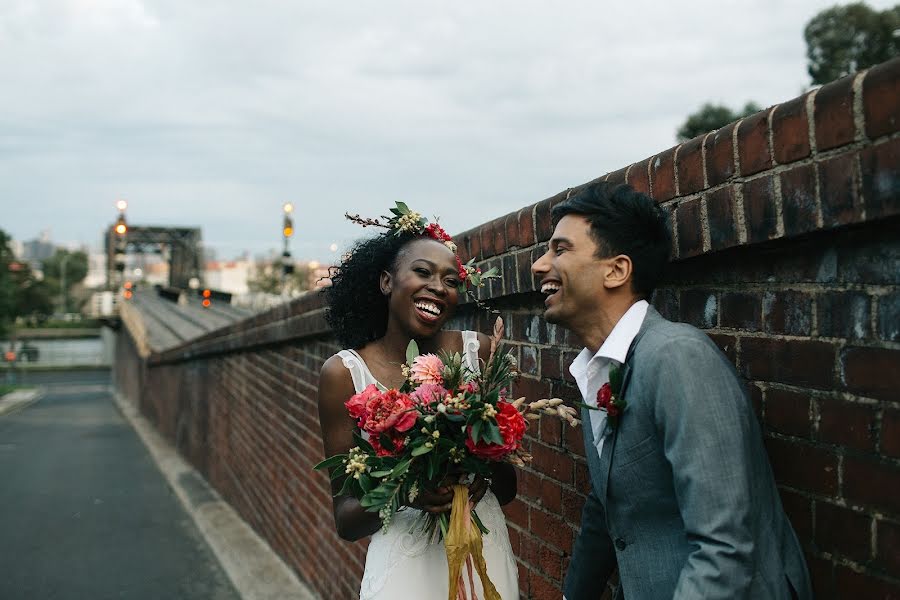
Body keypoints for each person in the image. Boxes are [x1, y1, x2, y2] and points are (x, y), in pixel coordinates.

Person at [531, 182, 812, 600]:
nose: (539, 265)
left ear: (616, 270)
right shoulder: (596, 370)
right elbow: (605, 507)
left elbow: (725, 548)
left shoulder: (679, 358)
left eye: (560, 249)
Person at [317, 220, 520, 600]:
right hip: (404, 572)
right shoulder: (344, 374)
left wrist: (480, 462)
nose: (438, 288)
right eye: (422, 272)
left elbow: (509, 488)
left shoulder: (481, 353)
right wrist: (408, 491)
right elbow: (346, 519)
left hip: (482, 558)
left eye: (451, 281)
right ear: (386, 282)